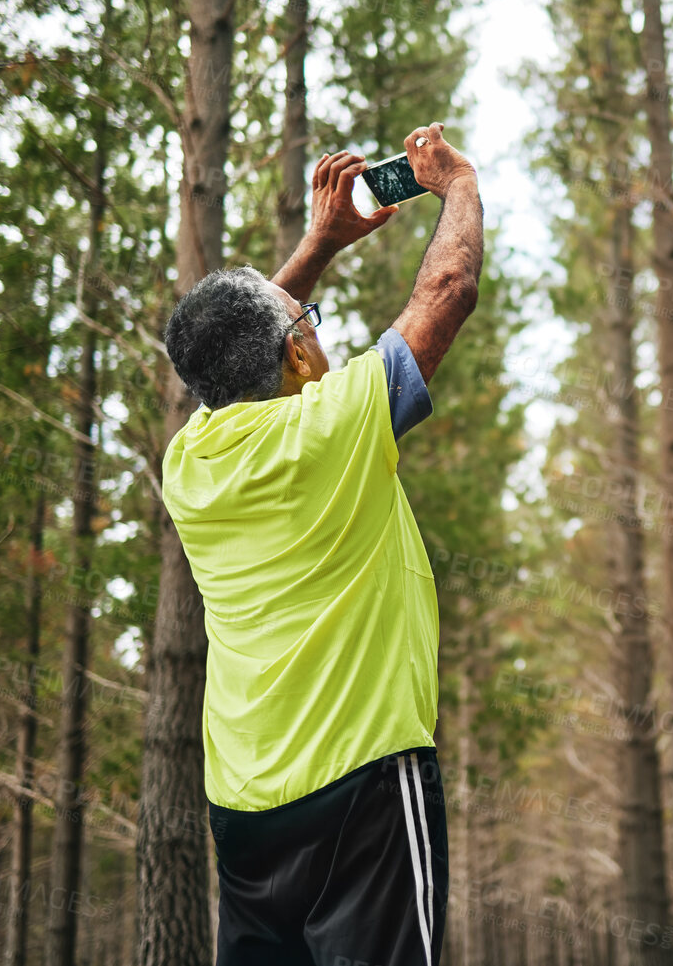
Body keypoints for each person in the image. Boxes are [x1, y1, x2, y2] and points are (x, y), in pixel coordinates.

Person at [161, 123, 482, 966]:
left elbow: (229, 352)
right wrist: (460, 186)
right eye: (308, 323)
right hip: (365, 784)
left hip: (246, 803)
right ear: (300, 349)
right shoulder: (333, 424)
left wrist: (319, 243)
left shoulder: (189, 463)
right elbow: (446, 287)